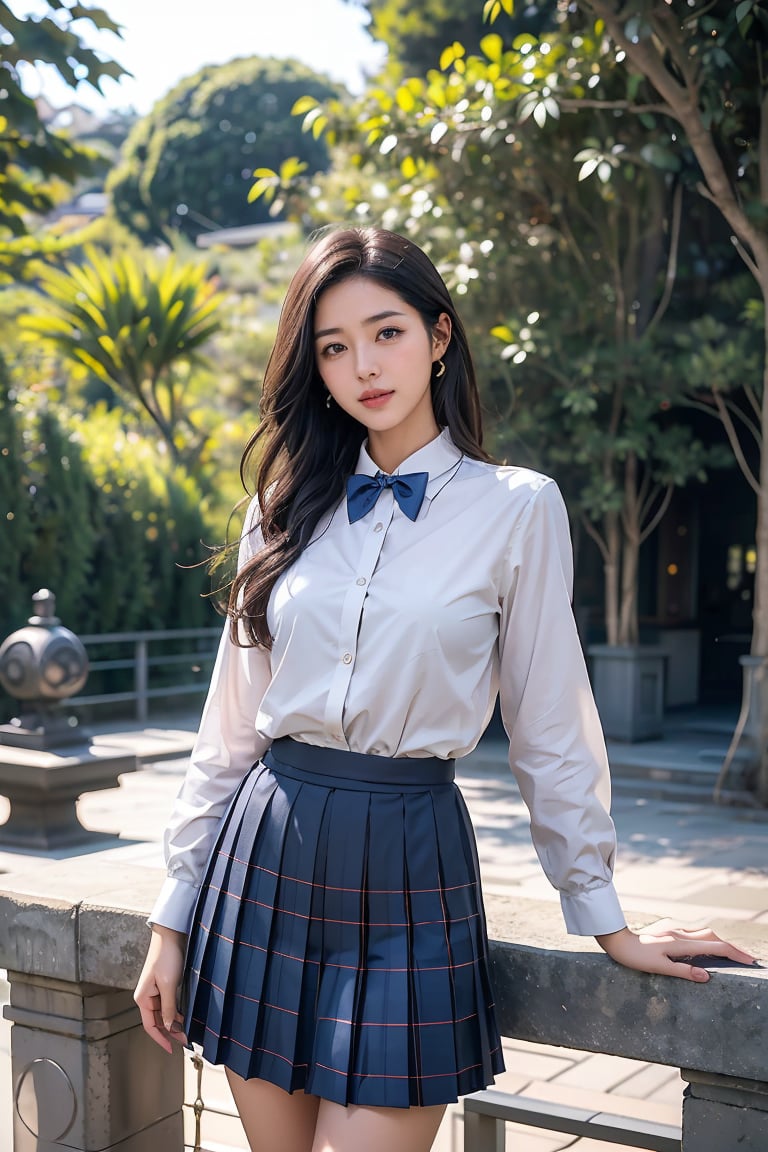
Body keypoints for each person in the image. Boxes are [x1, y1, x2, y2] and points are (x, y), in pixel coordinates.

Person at [134, 226, 754, 1152]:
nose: (362, 367)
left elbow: (550, 717)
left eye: (385, 332)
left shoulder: (518, 507)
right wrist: (172, 916)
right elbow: (228, 729)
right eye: (332, 347)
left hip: (412, 863)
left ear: (440, 334)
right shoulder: (284, 508)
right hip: (267, 855)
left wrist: (605, 916)